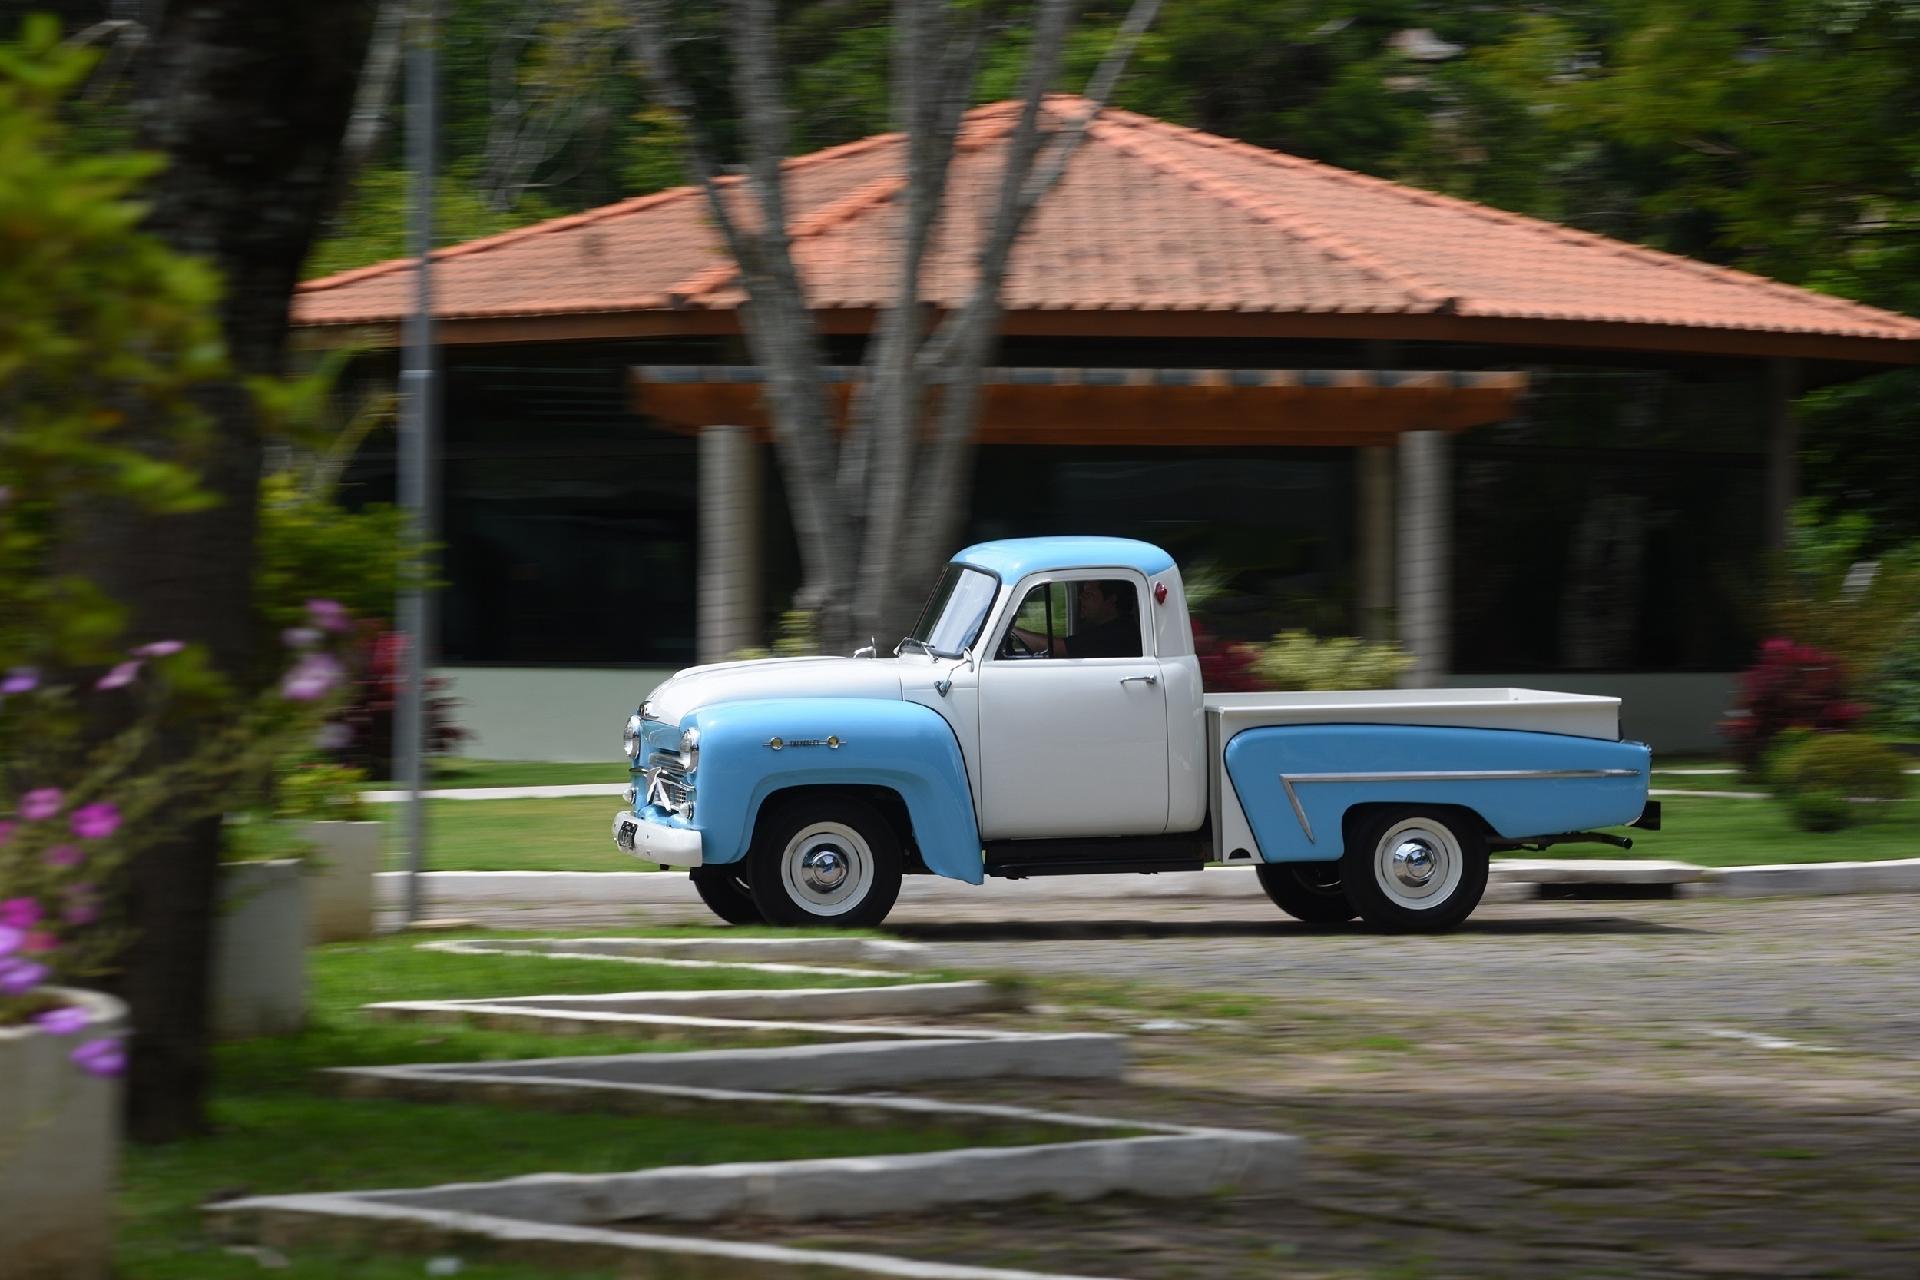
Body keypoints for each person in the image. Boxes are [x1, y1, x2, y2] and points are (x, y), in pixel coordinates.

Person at [1009, 580, 1139, 658]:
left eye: (1088, 595)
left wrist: (1012, 630)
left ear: (1110, 600)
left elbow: (1058, 649)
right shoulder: (1106, 627)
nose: (1080, 598)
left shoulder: (1117, 633)